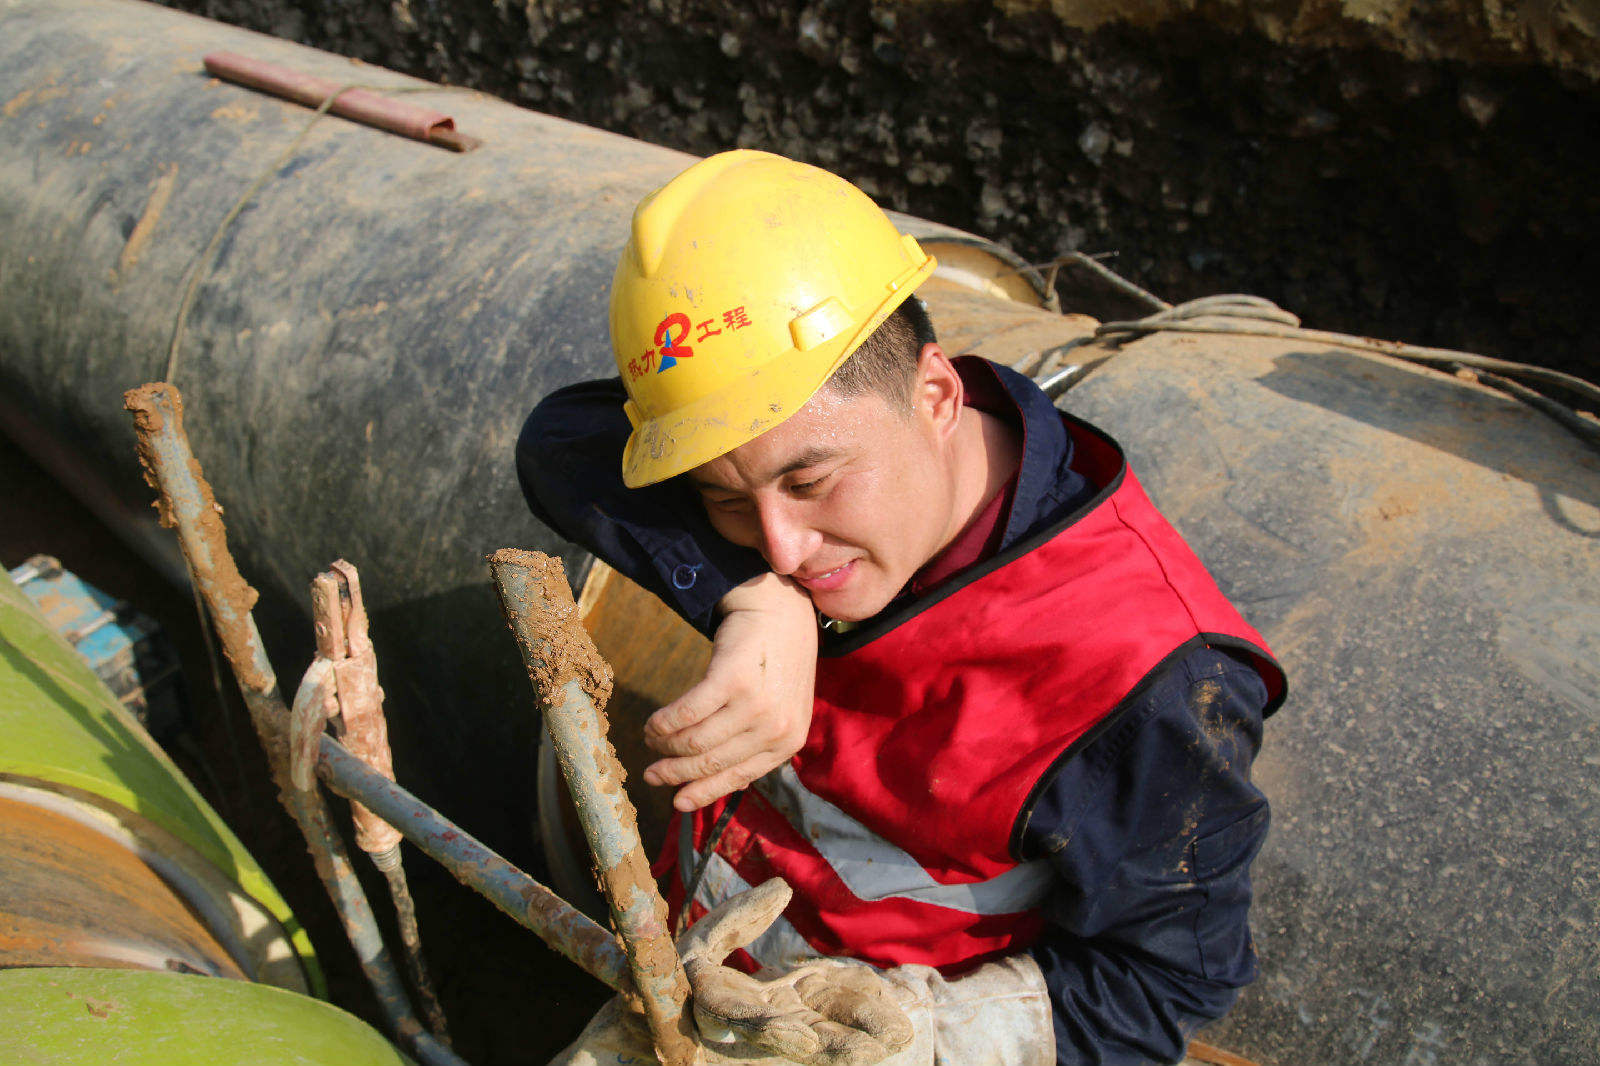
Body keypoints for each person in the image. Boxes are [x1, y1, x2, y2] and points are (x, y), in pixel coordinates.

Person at [518, 150, 1285, 1066]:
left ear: (935, 393)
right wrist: (751, 599)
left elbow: (1165, 982)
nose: (784, 546)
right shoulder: (787, 506)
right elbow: (561, 440)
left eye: (810, 480)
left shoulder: (1146, 677)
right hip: (694, 997)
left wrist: (923, 1040)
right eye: (724, 502)